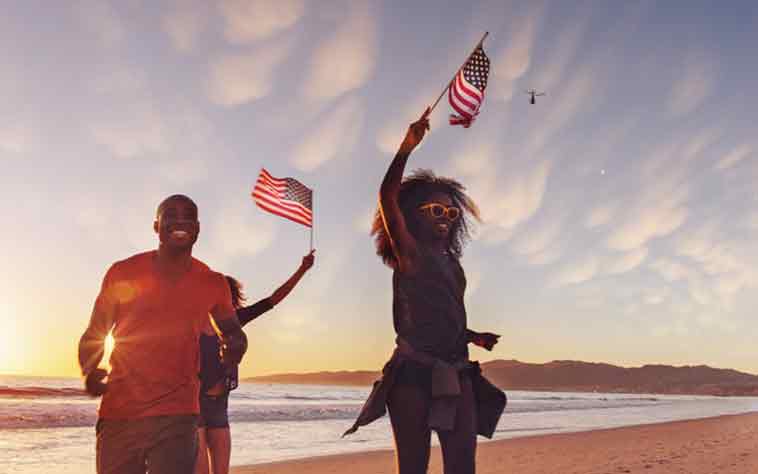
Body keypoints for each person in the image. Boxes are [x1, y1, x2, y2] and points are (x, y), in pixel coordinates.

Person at [344, 109, 507, 474]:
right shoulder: (410, 254)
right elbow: (387, 197)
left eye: (451, 213)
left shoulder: (452, 263)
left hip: (458, 371)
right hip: (412, 375)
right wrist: (405, 149)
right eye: (436, 209)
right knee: (413, 468)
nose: (445, 217)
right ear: (412, 214)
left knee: (462, 465)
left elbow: (443, 313)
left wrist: (473, 336)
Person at [78, 194, 248, 474]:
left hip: (179, 416)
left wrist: (234, 349)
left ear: (197, 228)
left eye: (188, 215)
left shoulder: (213, 283)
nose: (180, 220)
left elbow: (234, 332)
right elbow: (95, 332)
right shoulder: (123, 272)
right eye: (171, 214)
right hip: (121, 413)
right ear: (156, 226)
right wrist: (89, 369)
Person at [195, 251, 316, 474]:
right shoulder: (192, 323)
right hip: (196, 407)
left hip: (220, 407)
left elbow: (273, 299)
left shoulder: (235, 322)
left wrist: (302, 270)